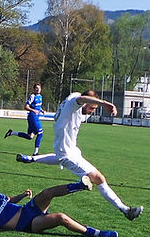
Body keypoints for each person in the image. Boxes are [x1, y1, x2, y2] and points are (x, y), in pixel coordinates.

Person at [16, 90, 143, 221]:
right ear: (86, 102)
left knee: (64, 160)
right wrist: (105, 103)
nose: (92, 111)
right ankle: (125, 210)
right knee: (99, 178)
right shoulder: (74, 102)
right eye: (92, 107)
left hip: (69, 151)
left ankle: (32, 159)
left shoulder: (71, 103)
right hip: (67, 153)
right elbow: (81, 98)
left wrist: (33, 159)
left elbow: (58, 158)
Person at [0, 181, 117, 237]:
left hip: (27, 209)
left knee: (46, 193)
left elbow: (9, 200)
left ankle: (80, 185)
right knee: (61, 217)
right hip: (29, 224)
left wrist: (23, 195)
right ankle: (95, 233)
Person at [5, 83, 44, 155]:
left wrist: (41, 110)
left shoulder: (40, 97)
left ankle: (12, 133)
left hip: (35, 117)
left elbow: (37, 105)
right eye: (36, 88)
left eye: (39, 88)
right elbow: (26, 107)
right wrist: (33, 110)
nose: (38, 89)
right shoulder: (32, 96)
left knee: (30, 136)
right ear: (34, 89)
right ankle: (35, 152)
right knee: (40, 133)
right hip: (33, 117)